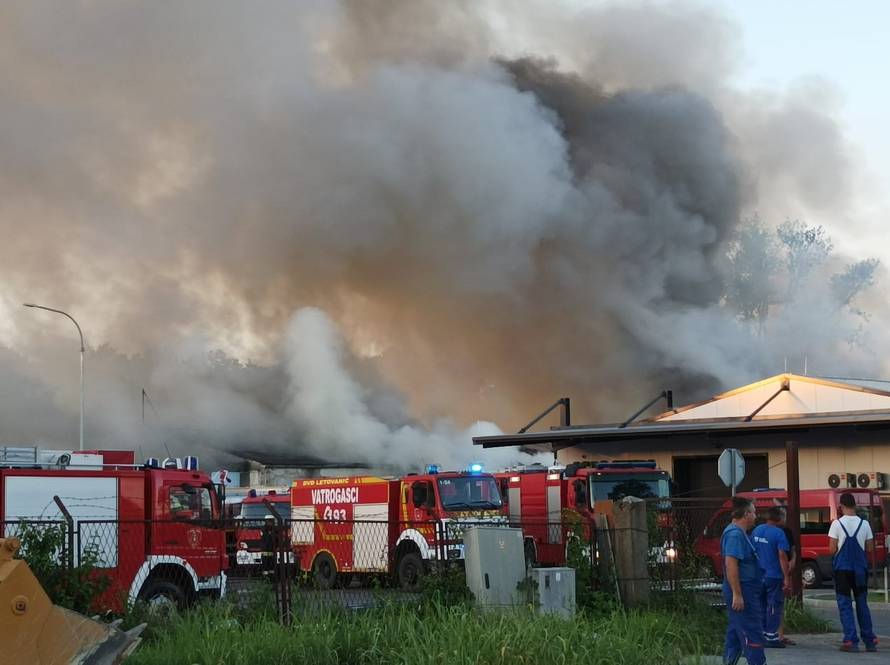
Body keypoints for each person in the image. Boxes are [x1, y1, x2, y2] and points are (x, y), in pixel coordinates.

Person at [829, 492, 878, 653]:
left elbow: (832, 549)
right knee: (862, 603)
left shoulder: (836, 524)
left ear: (841, 506)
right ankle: (870, 639)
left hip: (842, 570)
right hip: (860, 570)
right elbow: (870, 548)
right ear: (855, 505)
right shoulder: (864, 524)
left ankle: (850, 640)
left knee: (845, 605)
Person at [722, 496, 765, 665]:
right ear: (746, 514)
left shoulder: (740, 533)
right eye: (754, 512)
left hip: (745, 590)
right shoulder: (735, 535)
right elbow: (731, 563)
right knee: (752, 632)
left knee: (735, 632)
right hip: (743, 591)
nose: (756, 516)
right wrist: (737, 594)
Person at [751, 506, 791, 648]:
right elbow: (782, 555)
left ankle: (761, 634)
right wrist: (786, 576)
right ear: (779, 518)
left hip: (758, 574)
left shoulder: (757, 530)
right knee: (774, 605)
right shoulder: (779, 533)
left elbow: (752, 550)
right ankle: (772, 636)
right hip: (773, 575)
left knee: (761, 604)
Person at [778, 514, 798, 646]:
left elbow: (793, 548)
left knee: (781, 602)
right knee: (775, 603)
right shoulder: (774, 532)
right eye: (783, 516)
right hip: (776, 571)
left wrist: (793, 559)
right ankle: (774, 634)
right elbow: (781, 553)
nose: (785, 518)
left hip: (786, 569)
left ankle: (780, 634)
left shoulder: (787, 531)